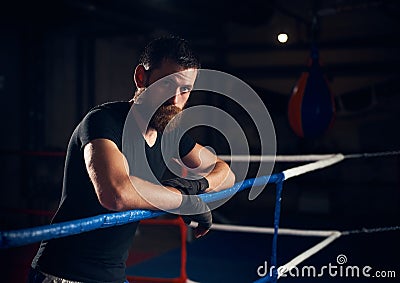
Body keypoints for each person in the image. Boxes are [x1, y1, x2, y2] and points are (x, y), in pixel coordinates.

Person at [27, 35, 235, 283]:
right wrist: (185, 201)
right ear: (141, 77)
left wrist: (197, 186)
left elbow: (225, 173)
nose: (176, 99)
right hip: (62, 274)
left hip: (112, 275)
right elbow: (116, 193)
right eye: (168, 85)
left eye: (185, 89)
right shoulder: (103, 122)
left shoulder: (170, 134)